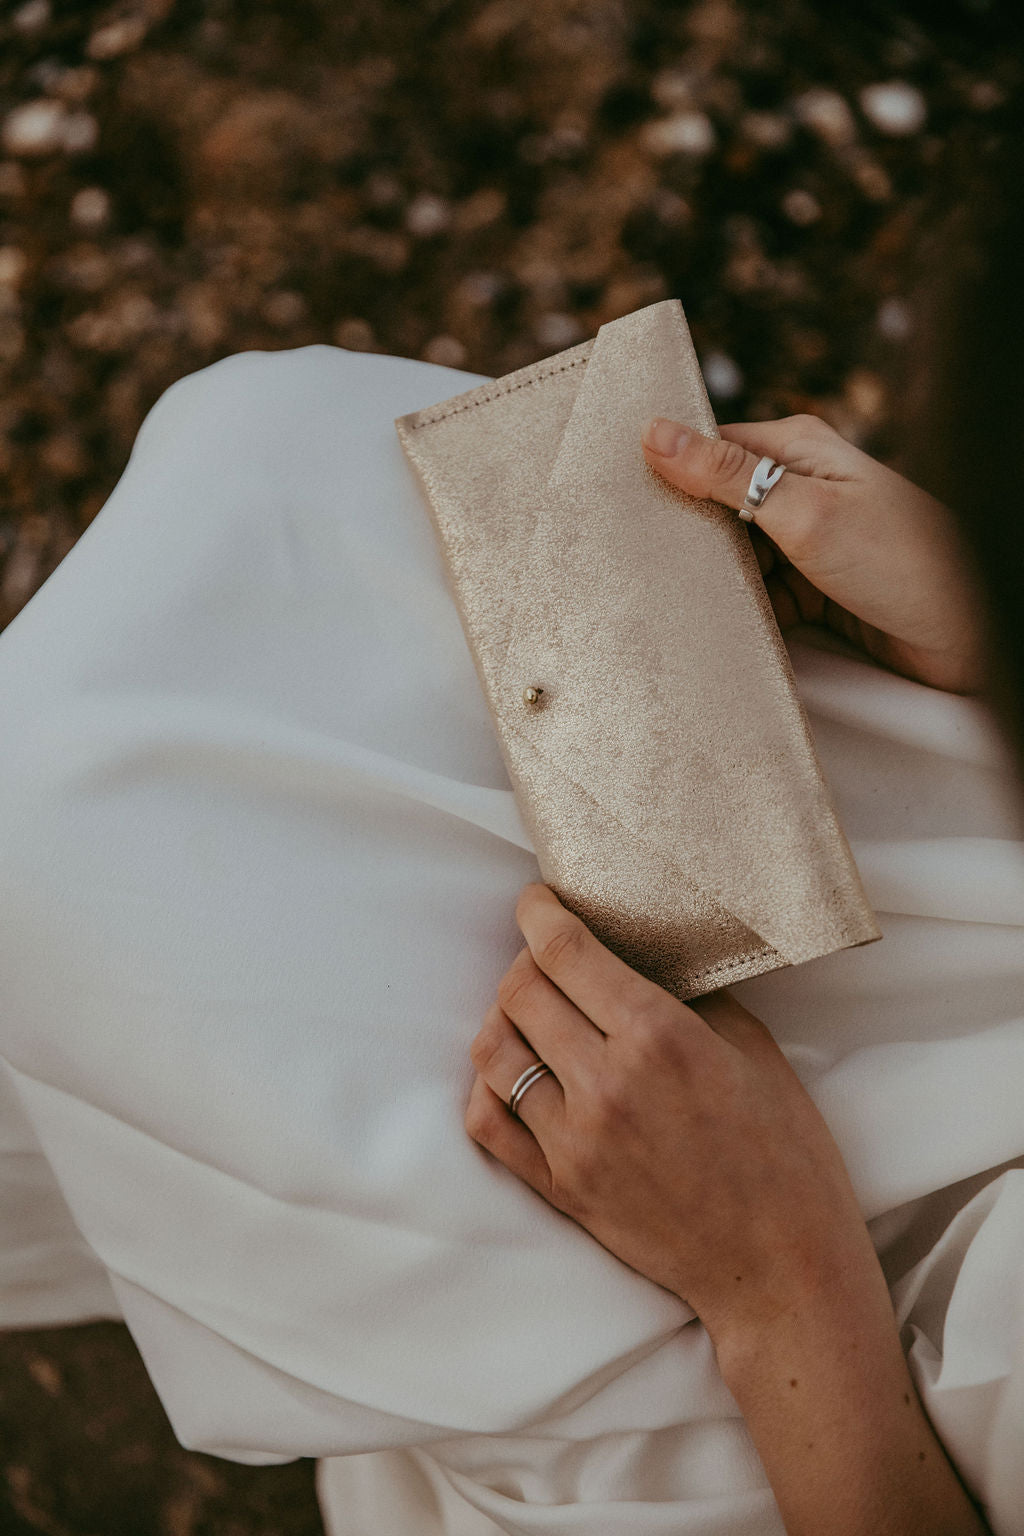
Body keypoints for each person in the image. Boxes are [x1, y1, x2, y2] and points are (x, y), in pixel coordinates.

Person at [1, 135, 1022, 1536]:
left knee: (114, 884)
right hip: (976, 884)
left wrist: (777, 1282)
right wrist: (986, 620)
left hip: (837, 1370)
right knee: (276, 456)